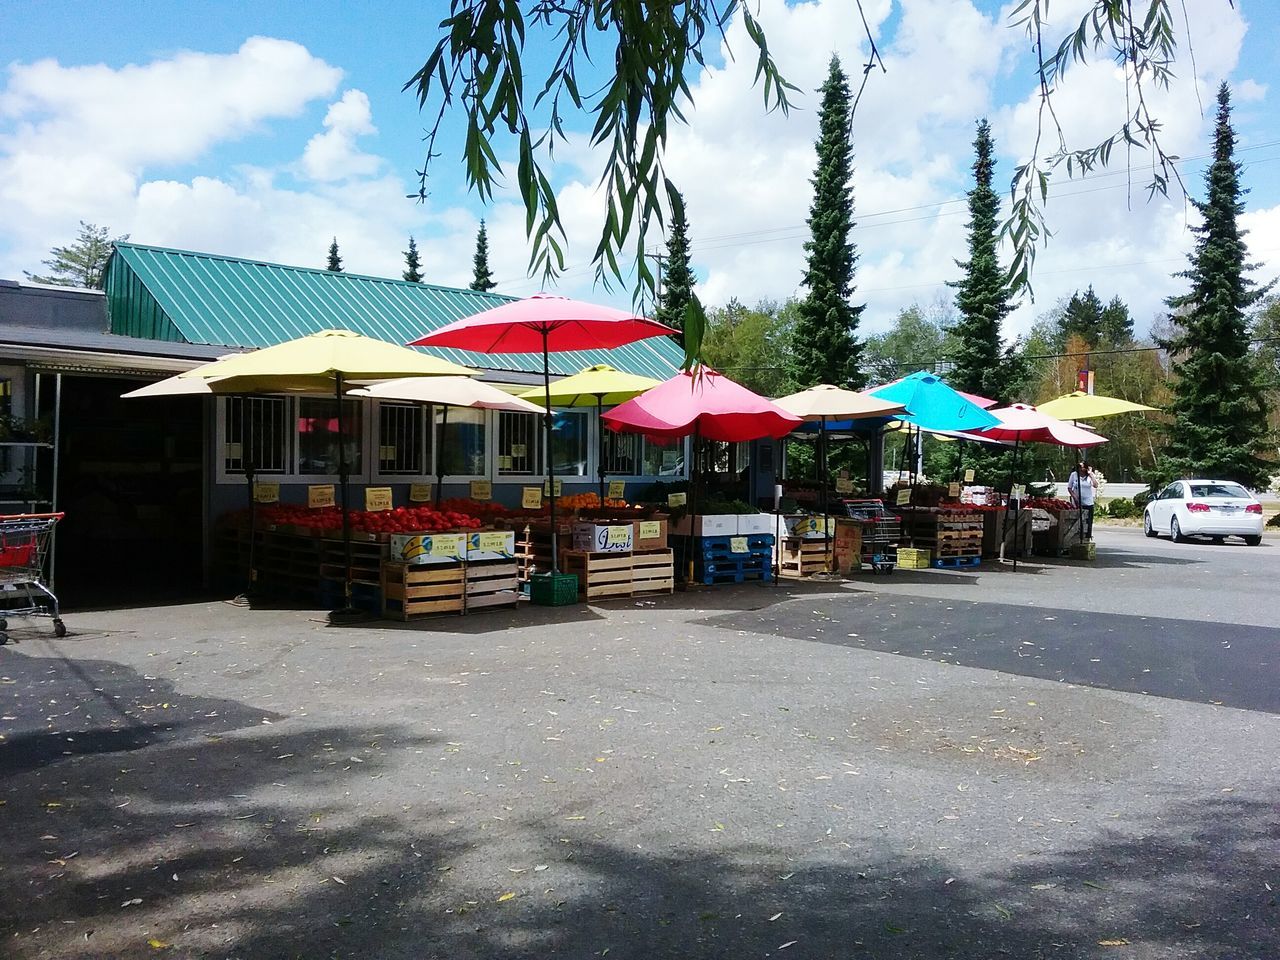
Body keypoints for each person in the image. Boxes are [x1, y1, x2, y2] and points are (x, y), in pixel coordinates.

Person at [1068, 461, 1097, 540]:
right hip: (1077, 502)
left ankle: (1087, 537)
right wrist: (1074, 497)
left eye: (1082, 467)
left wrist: (1091, 475)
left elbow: (1095, 485)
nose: (1081, 469)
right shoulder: (1074, 475)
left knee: (1088, 521)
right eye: (1079, 467)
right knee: (1077, 521)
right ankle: (1076, 537)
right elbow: (1069, 488)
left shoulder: (1089, 476)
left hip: (1088, 502)